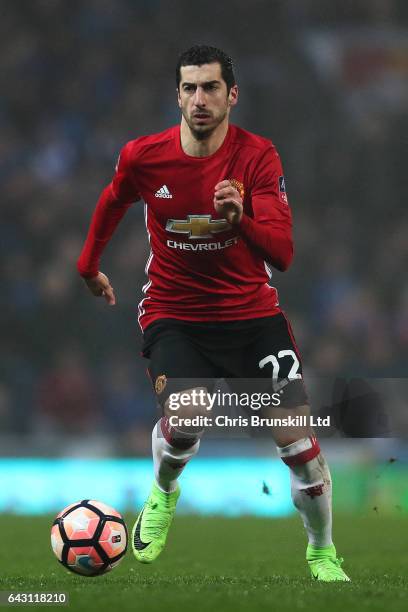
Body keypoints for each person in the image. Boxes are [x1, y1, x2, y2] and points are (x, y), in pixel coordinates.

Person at [77, 45, 350, 582]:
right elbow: (113, 199)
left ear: (232, 95)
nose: (199, 99)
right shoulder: (144, 156)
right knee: (187, 419)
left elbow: (284, 254)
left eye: (210, 88)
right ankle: (163, 491)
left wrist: (241, 217)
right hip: (175, 311)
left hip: (252, 315)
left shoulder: (258, 158)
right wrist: (88, 265)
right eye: (189, 88)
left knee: (300, 449)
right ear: (177, 95)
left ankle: (322, 552)